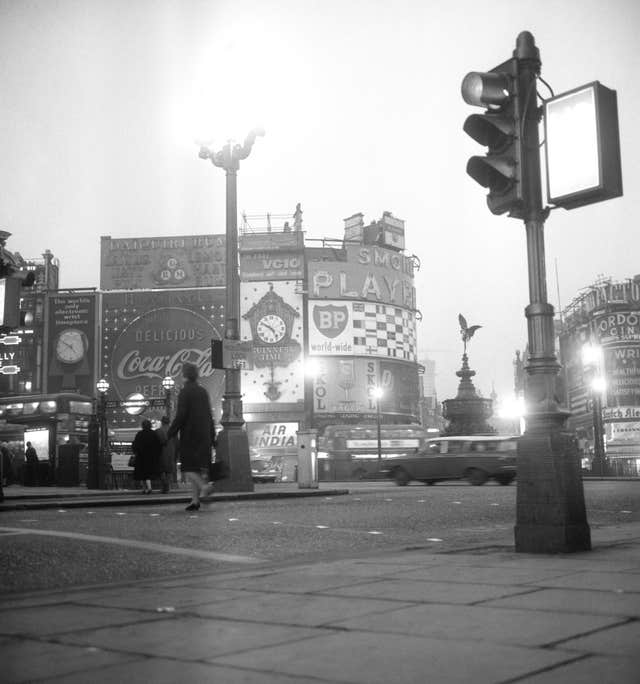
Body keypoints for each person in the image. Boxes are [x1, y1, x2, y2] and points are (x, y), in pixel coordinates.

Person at [168, 362, 216, 511]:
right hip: (205, 435)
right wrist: (212, 436)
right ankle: (195, 501)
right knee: (195, 468)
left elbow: (181, 415)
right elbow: (209, 415)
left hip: (190, 435)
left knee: (188, 468)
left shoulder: (185, 391)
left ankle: (204, 487)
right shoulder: (203, 391)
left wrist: (171, 432)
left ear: (184, 375)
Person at [131, 419, 162, 494]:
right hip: (151, 458)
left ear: (143, 426)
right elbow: (158, 446)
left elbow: (135, 445)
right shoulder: (153, 434)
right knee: (148, 474)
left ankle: (145, 489)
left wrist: (136, 452)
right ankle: (149, 488)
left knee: (142, 474)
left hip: (141, 457)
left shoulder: (139, 434)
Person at [155, 415, 177, 494]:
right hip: (171, 452)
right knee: (169, 471)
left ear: (161, 422)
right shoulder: (173, 431)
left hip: (161, 452)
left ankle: (164, 485)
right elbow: (176, 443)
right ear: (169, 422)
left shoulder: (158, 431)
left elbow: (155, 443)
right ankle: (167, 487)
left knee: (161, 470)